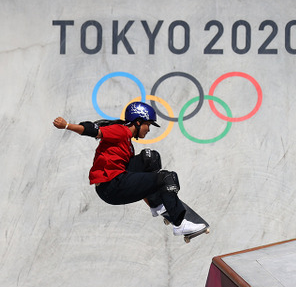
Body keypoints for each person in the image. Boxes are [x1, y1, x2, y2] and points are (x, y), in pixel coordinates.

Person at [52, 101, 205, 236]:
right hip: (112, 186)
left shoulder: (126, 138)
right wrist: (67, 125)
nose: (149, 129)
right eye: (148, 124)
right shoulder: (120, 131)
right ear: (138, 122)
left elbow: (138, 175)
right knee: (166, 178)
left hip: (116, 180)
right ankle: (180, 224)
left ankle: (155, 203)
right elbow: (93, 130)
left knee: (151, 158)